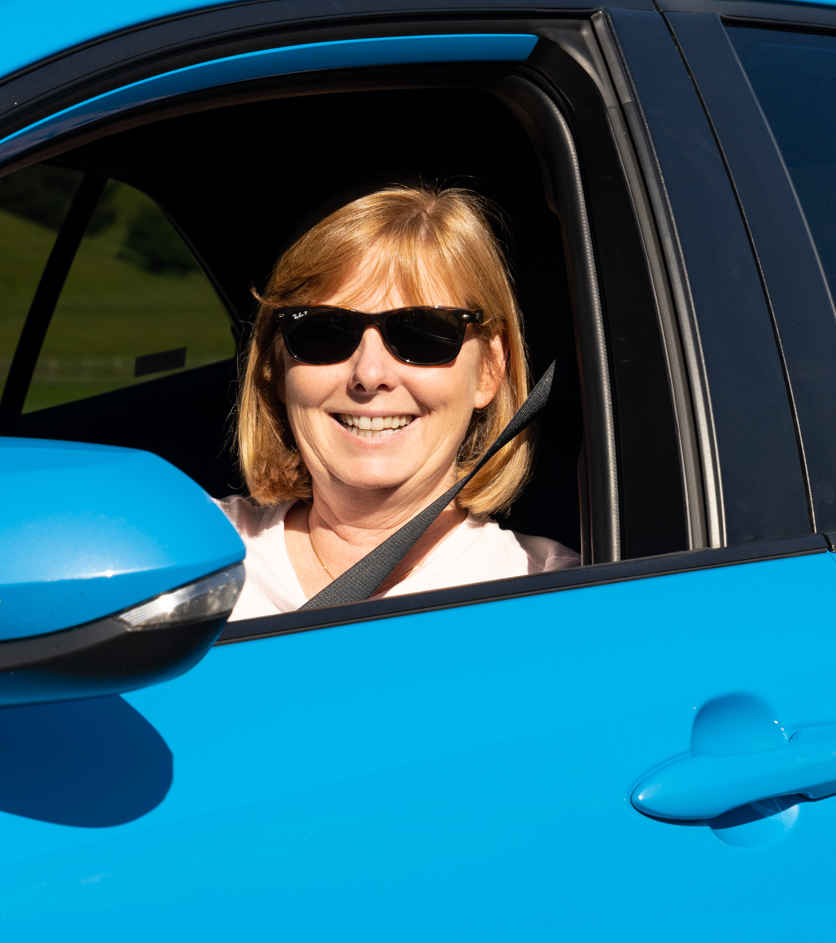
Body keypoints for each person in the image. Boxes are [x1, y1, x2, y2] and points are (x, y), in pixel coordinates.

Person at [220, 184, 579, 620]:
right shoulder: (188, 556)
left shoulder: (552, 597)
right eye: (324, 331)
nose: (369, 374)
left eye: (421, 332)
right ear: (277, 368)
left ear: (489, 368)